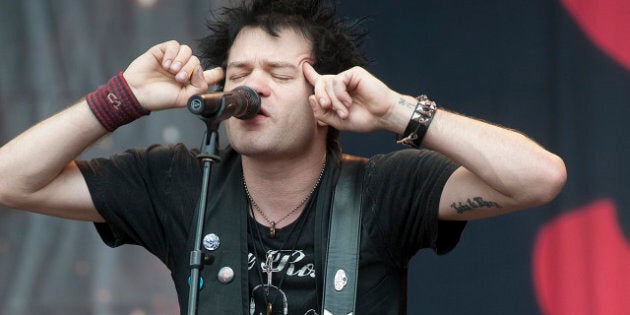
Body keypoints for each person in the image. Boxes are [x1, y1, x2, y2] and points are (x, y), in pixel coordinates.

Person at [0, 0, 566, 314]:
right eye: (242, 73)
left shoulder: (384, 190)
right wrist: (121, 98)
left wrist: (398, 112)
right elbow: (11, 180)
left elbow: (539, 178)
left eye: (278, 75)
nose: (254, 88)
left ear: (324, 98)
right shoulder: (179, 183)